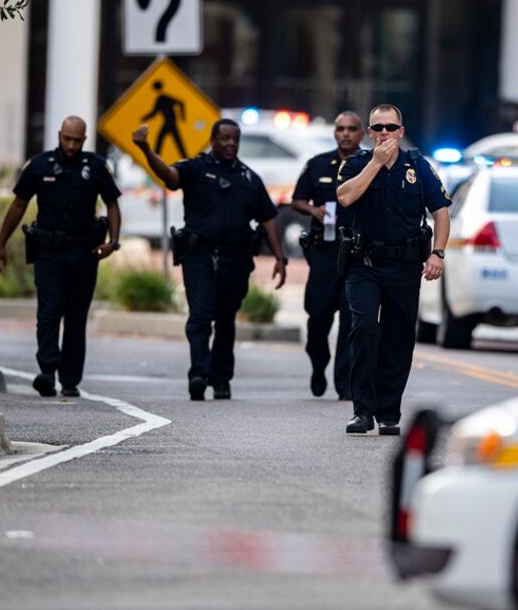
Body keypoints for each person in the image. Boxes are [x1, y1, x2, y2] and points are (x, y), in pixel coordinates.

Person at [132, 119, 287, 401]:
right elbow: (169, 177)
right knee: (200, 316)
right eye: (225, 138)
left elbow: (269, 218)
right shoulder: (196, 168)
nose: (230, 143)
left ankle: (221, 378)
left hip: (235, 258)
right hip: (199, 255)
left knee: (226, 319)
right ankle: (199, 374)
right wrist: (146, 150)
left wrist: (280, 257)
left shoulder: (249, 178)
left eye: (235, 139)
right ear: (213, 140)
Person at [336, 104, 450, 435]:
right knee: (364, 328)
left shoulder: (418, 166)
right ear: (369, 132)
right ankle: (362, 411)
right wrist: (375, 163)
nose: (384, 133)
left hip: (404, 266)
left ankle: (388, 413)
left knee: (398, 338)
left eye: (390, 127)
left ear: (401, 131)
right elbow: (345, 198)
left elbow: (441, 211)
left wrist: (438, 253)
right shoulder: (356, 163)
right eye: (378, 127)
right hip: (364, 264)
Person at [0, 116, 122, 398]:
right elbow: (18, 204)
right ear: (59, 135)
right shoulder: (40, 165)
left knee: (76, 317)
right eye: (67, 139)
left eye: (77, 140)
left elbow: (112, 204)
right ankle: (48, 371)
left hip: (83, 252)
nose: (72, 145)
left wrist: (112, 243)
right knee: (49, 312)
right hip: (48, 252)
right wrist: (0, 243)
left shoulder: (96, 167)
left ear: (84, 140)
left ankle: (70, 379)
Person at [291, 111, 364, 400]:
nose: (345, 134)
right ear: (335, 132)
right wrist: (314, 211)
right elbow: (297, 200)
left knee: (350, 321)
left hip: (356, 253)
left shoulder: (370, 164)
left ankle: (344, 384)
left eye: (351, 129)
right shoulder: (318, 164)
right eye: (340, 129)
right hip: (324, 252)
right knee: (318, 318)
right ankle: (318, 364)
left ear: (361, 133)